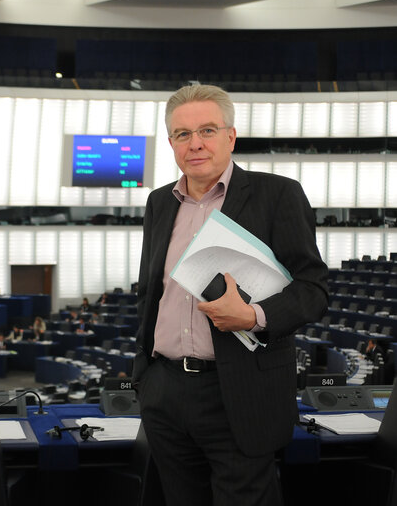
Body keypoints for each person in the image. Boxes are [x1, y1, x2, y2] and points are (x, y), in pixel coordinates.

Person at [131, 84, 328, 506]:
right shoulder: (158, 203)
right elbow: (151, 292)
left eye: (207, 130)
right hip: (165, 392)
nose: (195, 143)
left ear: (230, 136)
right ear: (171, 143)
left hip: (239, 392)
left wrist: (254, 316)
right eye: (182, 134)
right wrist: (145, 377)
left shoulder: (278, 195)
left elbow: (314, 289)